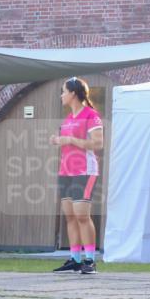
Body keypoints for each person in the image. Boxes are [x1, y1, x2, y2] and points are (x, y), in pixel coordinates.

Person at [50, 77, 104, 275]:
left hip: (84, 171)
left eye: (63, 91)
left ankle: (90, 260)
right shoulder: (68, 119)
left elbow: (98, 144)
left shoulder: (91, 115)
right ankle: (75, 259)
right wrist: (58, 140)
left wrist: (70, 139)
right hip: (66, 171)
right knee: (70, 216)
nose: (61, 95)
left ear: (73, 93)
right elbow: (68, 143)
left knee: (82, 215)